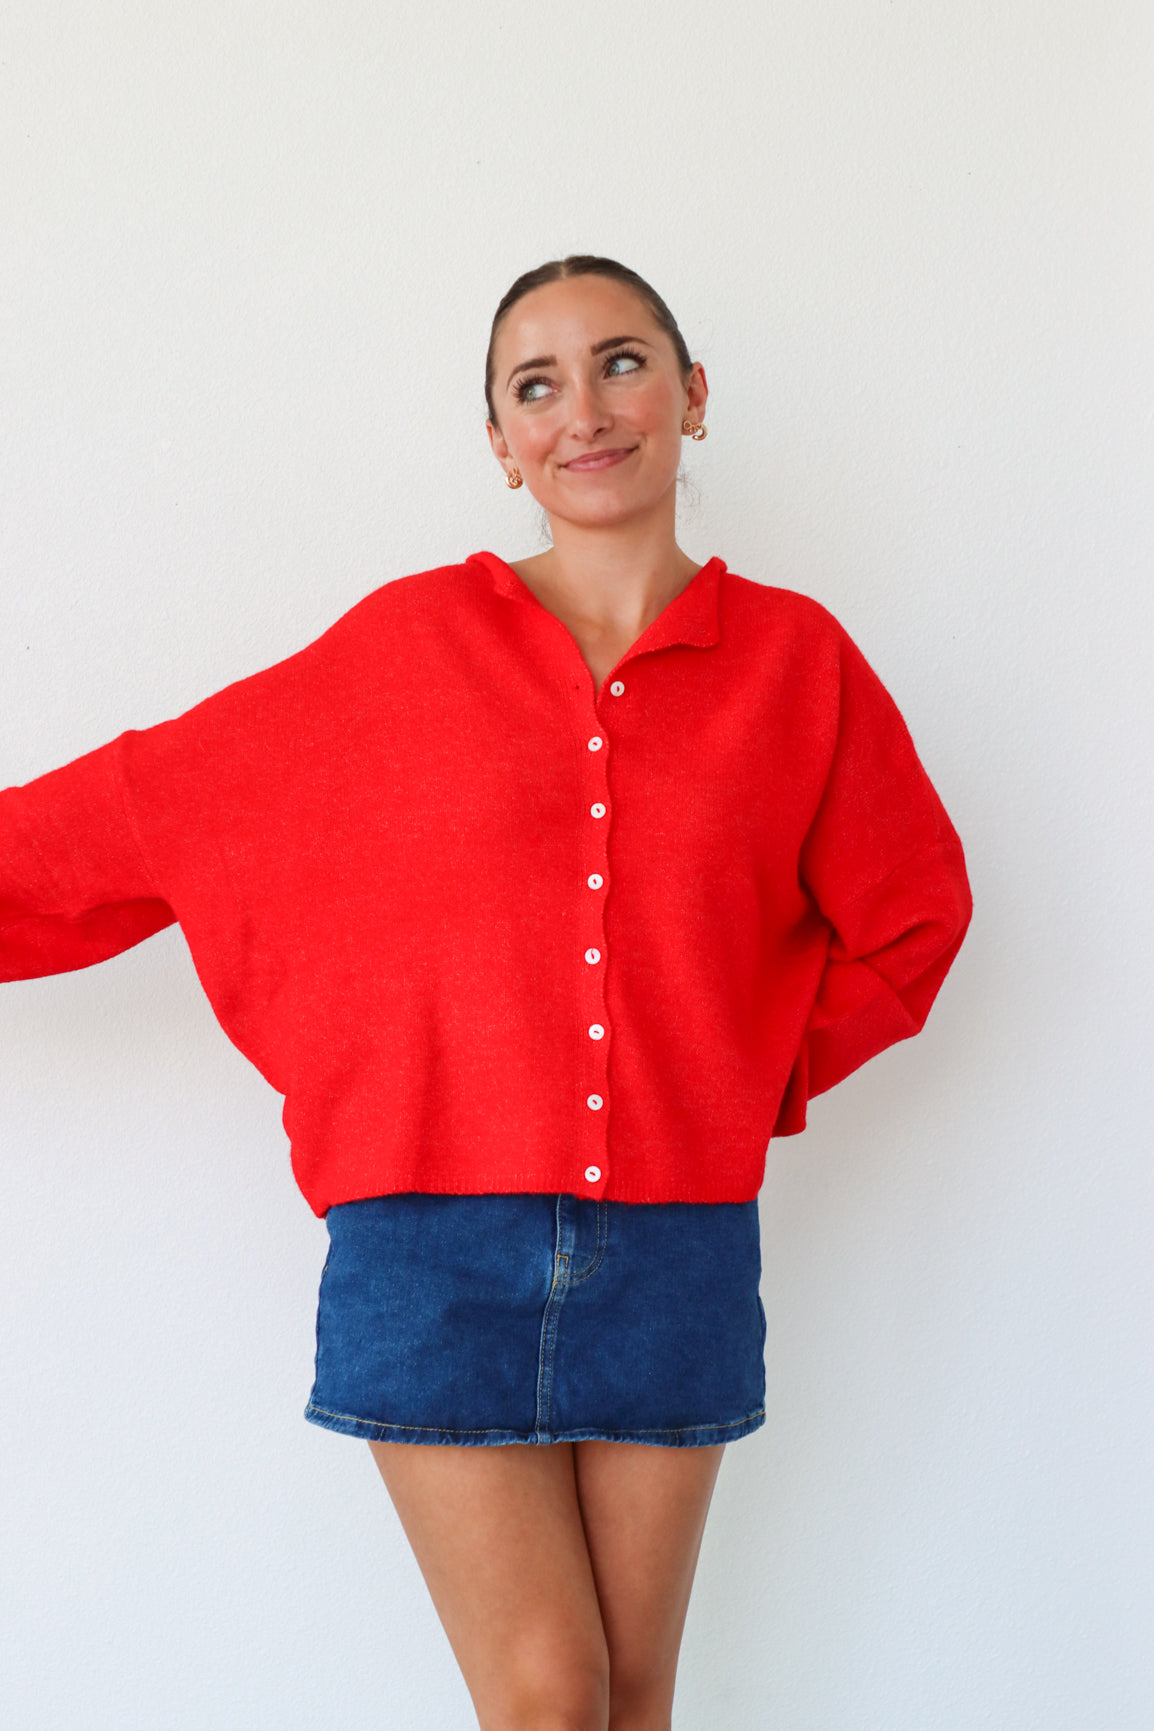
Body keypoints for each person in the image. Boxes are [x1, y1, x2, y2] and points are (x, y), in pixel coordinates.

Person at [0, 255, 972, 1731]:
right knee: (544, 1697)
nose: (584, 410)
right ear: (501, 441)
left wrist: (734, 1077)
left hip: (676, 1245)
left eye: (622, 363)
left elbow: (912, 920)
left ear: (692, 397)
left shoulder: (796, 665)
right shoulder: (400, 649)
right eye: (537, 385)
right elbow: (141, 809)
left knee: (631, 1700)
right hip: (432, 1244)